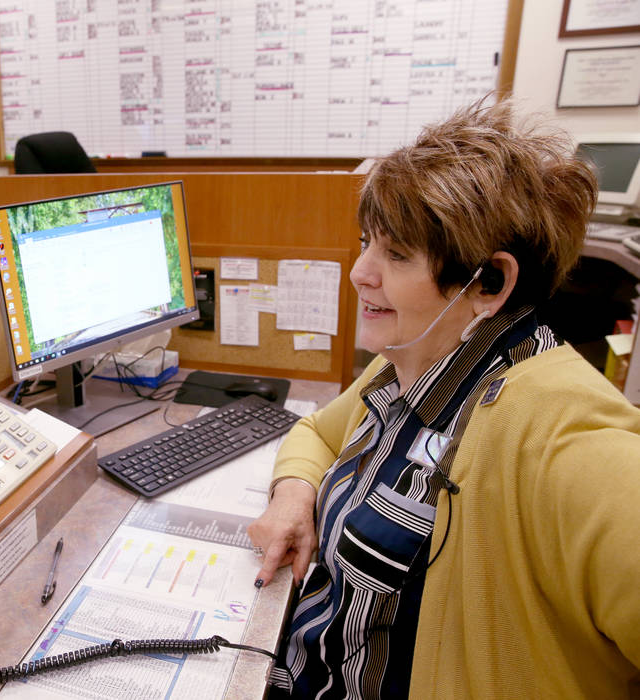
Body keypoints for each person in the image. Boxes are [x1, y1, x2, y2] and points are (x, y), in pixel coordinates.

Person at [248, 97, 640, 698]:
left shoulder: (568, 444)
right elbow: (317, 433)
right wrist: (296, 494)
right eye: (366, 242)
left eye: (397, 254)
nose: (360, 272)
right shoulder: (410, 366)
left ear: (489, 282)